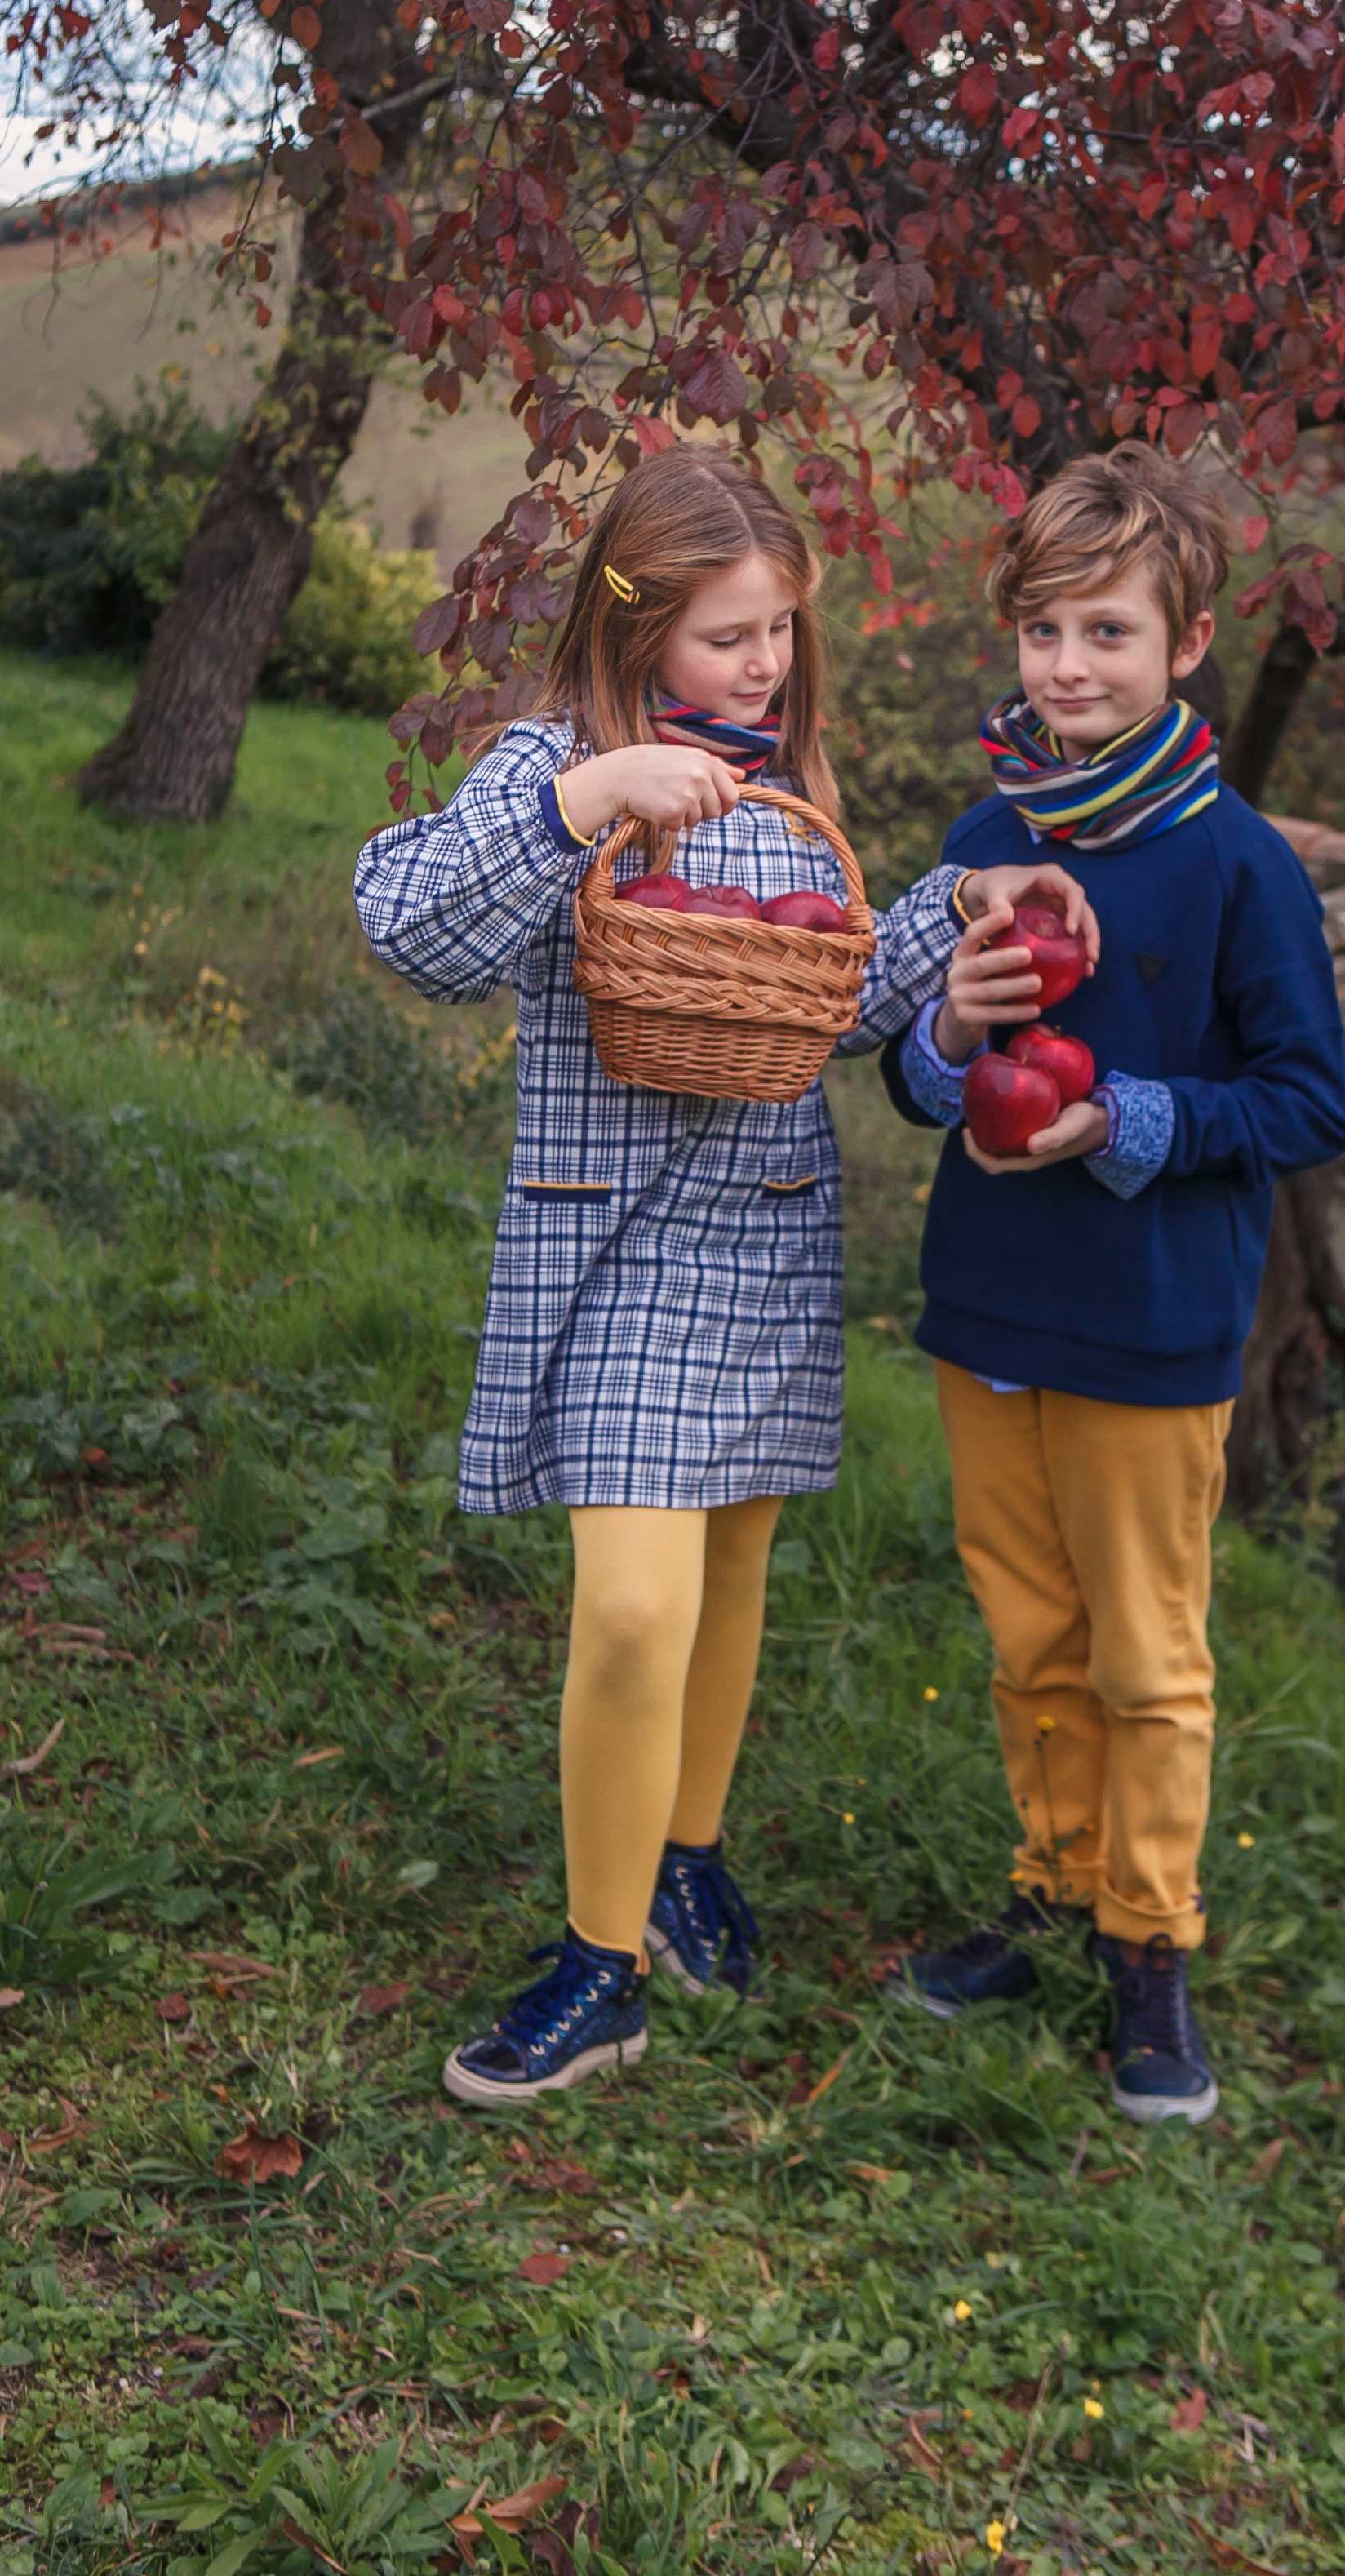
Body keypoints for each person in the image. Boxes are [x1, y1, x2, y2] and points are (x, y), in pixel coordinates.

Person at [353, 442, 1094, 2107]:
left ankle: (682, 1848)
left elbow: (817, 1003)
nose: (760, 663)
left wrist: (955, 906)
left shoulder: (790, 788)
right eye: (721, 635)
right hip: (610, 1241)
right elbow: (408, 929)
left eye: (776, 630)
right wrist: (580, 805)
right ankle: (597, 1968)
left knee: (730, 1568)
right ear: (633, 634)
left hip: (761, 1222)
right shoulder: (561, 762)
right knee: (629, 1602)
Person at [881, 443, 1345, 2123]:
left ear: (1185, 644)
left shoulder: (1235, 866)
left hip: (1149, 1324)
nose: (1068, 667)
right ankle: (1046, 1885)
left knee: (1146, 1656)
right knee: (1027, 1639)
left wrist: (1119, 1117)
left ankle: (1145, 1944)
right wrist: (947, 1034)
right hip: (991, 1299)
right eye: (1042, 632)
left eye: (1107, 632)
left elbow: (1311, 1103)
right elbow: (917, 1076)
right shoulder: (981, 841)